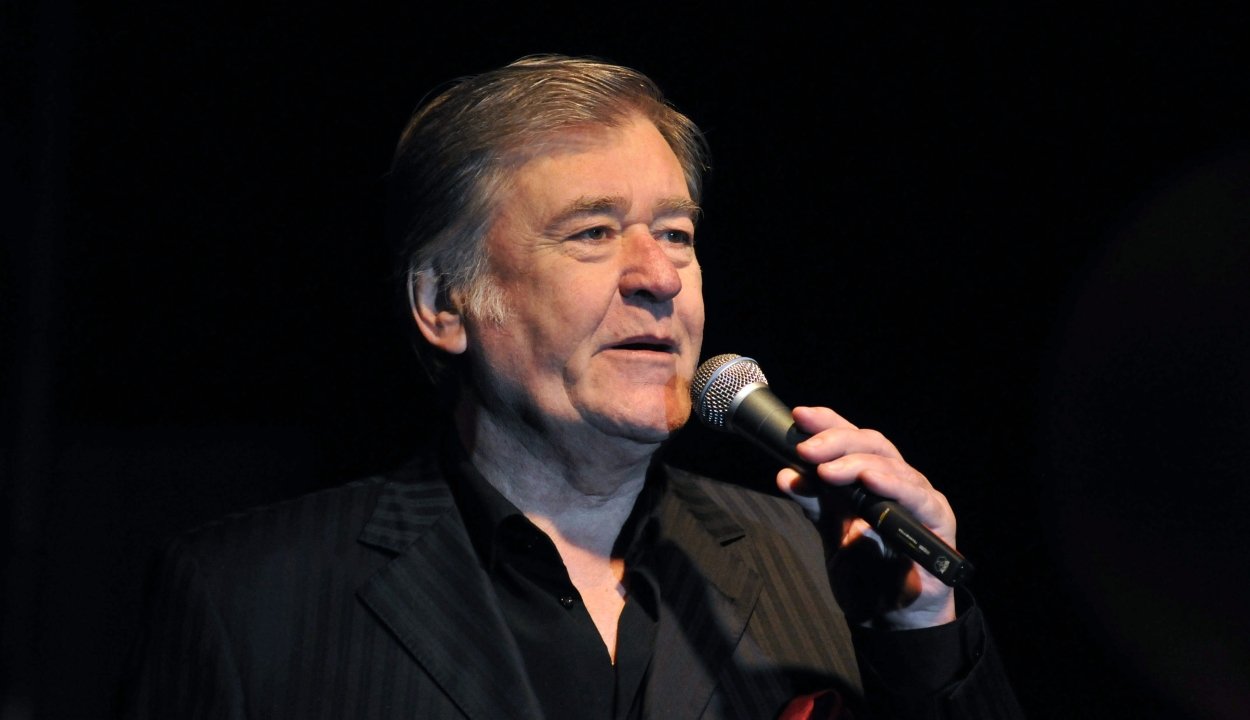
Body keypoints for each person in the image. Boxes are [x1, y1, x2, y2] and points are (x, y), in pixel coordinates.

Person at [119, 54, 1024, 719]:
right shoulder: (249, 598)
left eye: (676, 234)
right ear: (443, 304)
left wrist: (922, 633)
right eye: (593, 232)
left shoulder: (824, 563)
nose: (659, 277)